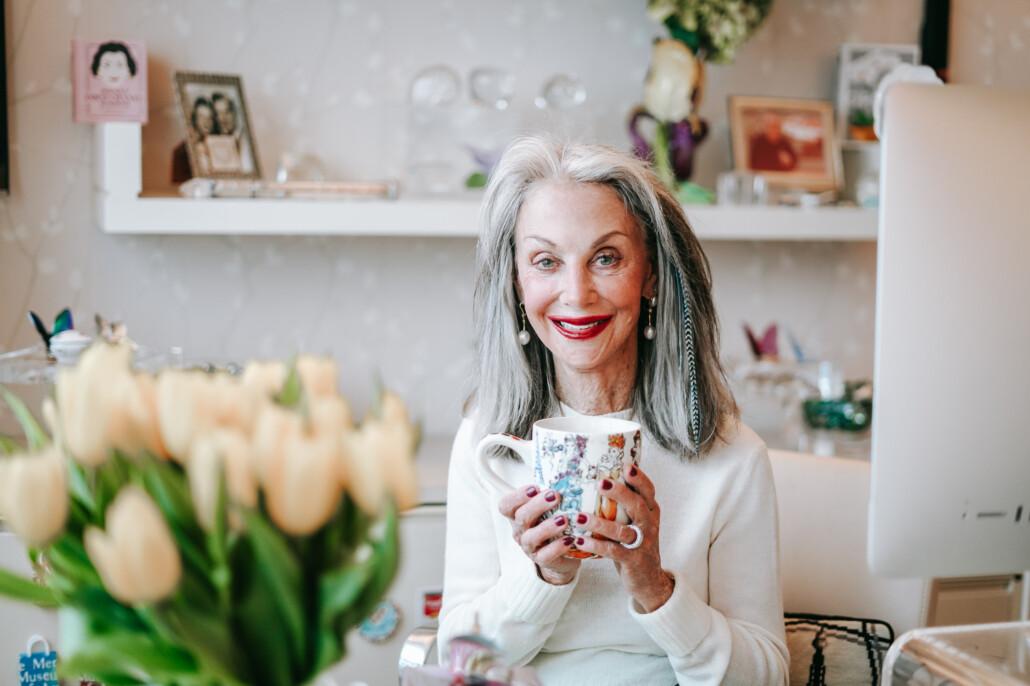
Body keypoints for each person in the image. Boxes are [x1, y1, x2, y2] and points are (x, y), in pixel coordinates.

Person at [438, 136, 788, 685]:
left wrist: (654, 585)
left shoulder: (732, 457)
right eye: (545, 261)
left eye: (605, 258)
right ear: (516, 280)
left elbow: (766, 677)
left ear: (649, 273)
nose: (576, 294)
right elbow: (458, 664)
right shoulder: (486, 445)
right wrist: (543, 578)